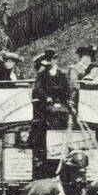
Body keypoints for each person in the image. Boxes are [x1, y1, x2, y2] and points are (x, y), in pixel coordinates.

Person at [30, 49, 71, 179]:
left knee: (63, 114)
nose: (52, 62)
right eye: (50, 59)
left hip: (60, 103)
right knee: (44, 118)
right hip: (46, 103)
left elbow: (67, 88)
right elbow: (38, 88)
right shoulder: (42, 74)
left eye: (54, 59)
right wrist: (46, 97)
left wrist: (64, 99)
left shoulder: (62, 74)